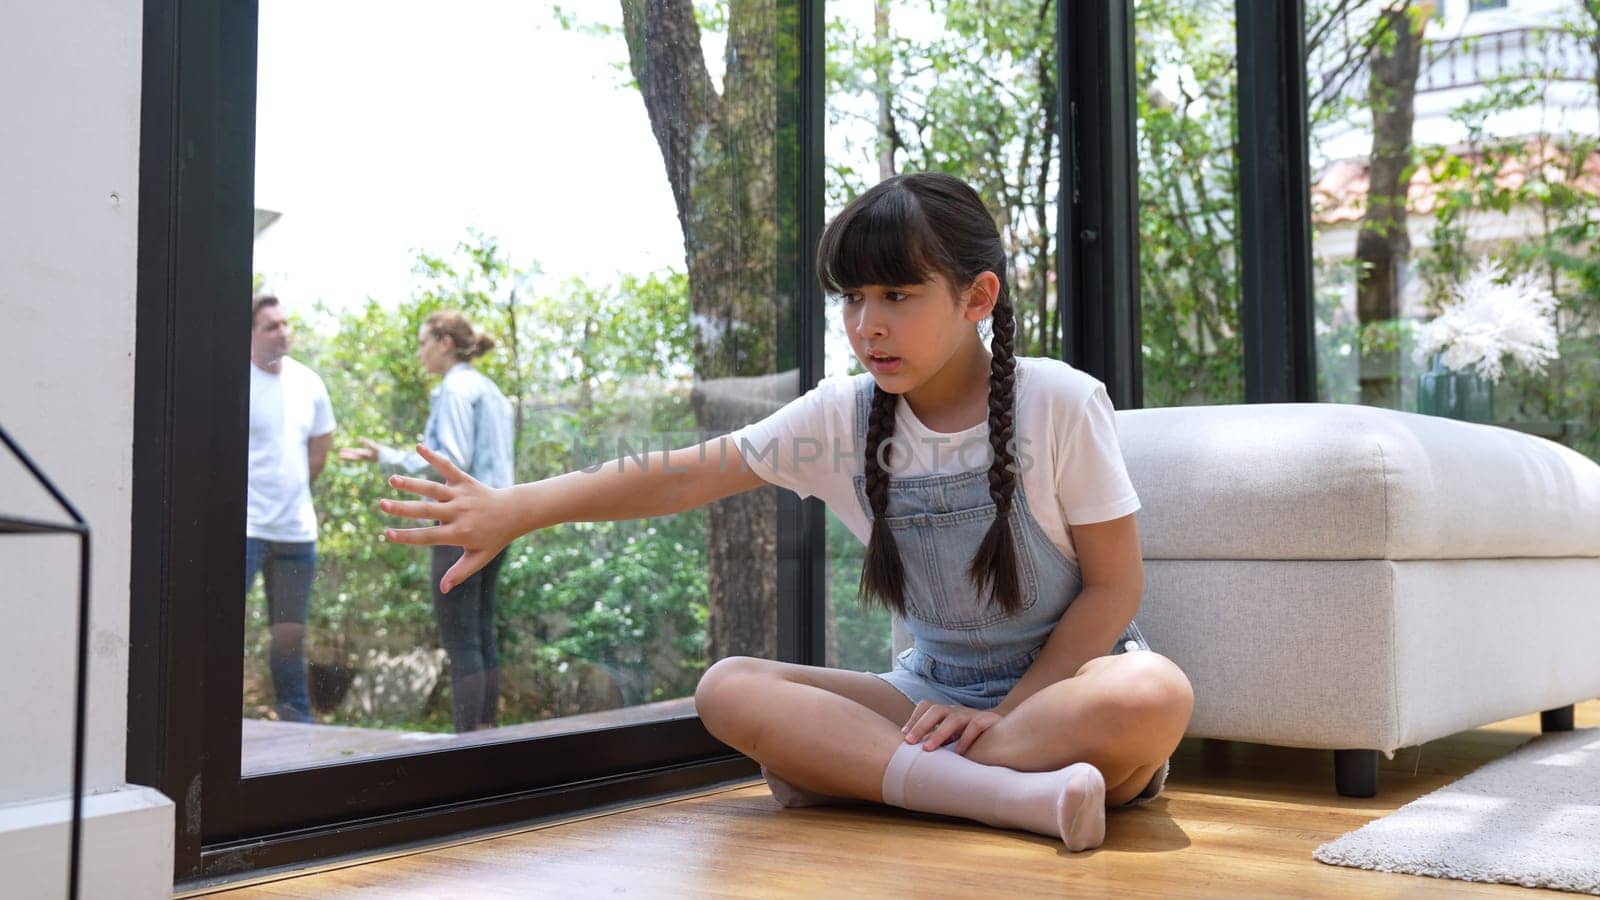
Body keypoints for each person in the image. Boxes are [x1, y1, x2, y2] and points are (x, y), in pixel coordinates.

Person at [375, 173, 1194, 851]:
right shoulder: (840, 416)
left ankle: (893, 778)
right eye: (852, 297)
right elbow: (678, 477)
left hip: (1055, 701)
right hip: (925, 696)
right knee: (729, 689)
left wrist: (1003, 715)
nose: (868, 325)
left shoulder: (1062, 401)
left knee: (1153, 694)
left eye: (899, 295)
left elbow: (1113, 592)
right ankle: (1011, 799)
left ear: (978, 296)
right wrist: (517, 507)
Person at [342, 310, 514, 733]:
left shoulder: (453, 389)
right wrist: (385, 453)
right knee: (482, 633)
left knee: (461, 642)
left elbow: (449, 461)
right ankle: (487, 737)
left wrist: (395, 462)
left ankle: (465, 746)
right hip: (503, 519)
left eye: (423, 343)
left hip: (463, 524)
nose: (419, 353)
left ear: (444, 342)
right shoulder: (489, 390)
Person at [246, 294, 336, 724]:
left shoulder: (309, 383)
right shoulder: (238, 380)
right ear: (251, 334)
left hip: (296, 532)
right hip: (244, 529)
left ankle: (296, 721)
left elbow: (319, 449)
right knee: (222, 626)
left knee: (289, 635)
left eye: (285, 324)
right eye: (270, 326)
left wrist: (294, 491)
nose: (283, 332)